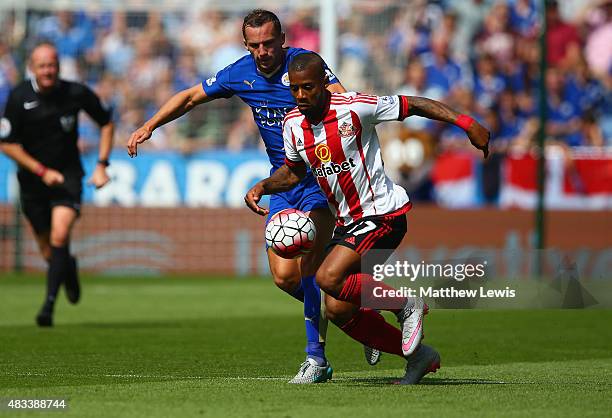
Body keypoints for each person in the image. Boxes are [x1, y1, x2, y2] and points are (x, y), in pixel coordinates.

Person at [126, 9, 378, 384]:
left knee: (310, 269)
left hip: (319, 179)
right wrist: (149, 125)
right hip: (282, 183)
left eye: (269, 43)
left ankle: (316, 360)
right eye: (255, 45)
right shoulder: (239, 73)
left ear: (282, 40)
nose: (263, 51)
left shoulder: (304, 67)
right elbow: (191, 97)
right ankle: (362, 318)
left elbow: (343, 100)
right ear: (246, 45)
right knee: (284, 277)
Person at [245, 52, 490, 384]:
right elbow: (294, 172)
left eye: (309, 88)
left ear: (323, 85)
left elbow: (413, 104)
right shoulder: (292, 125)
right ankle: (418, 357)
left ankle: (406, 304)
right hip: (349, 222)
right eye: (296, 90)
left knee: (326, 278)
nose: (302, 96)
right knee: (338, 308)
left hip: (383, 213)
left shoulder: (355, 107)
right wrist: (264, 185)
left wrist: (466, 123)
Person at [0, 42, 114, 327]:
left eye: (52, 65)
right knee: (50, 252)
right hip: (33, 182)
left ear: (59, 67)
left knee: (60, 235)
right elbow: (7, 144)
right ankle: (68, 268)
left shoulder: (75, 92)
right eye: (42, 66)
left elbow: (106, 123)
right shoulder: (18, 97)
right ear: (33, 68)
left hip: (67, 176)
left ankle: (48, 308)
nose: (48, 71)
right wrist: (41, 171)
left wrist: (101, 165)